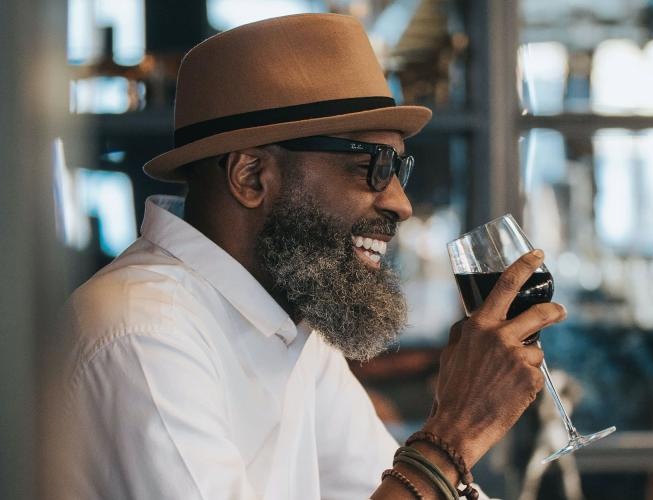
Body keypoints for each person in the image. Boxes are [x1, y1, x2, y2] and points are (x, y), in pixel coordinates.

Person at [58, 13, 567, 500]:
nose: (400, 203)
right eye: (371, 166)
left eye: (398, 169)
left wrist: (450, 447)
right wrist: (453, 433)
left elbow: (381, 485)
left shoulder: (287, 324)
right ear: (251, 176)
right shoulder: (144, 333)